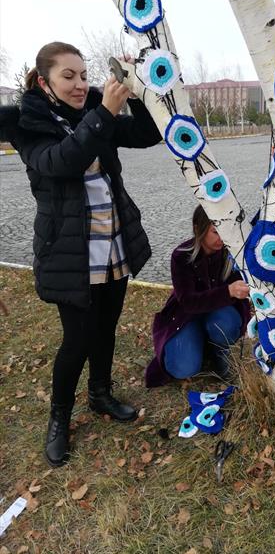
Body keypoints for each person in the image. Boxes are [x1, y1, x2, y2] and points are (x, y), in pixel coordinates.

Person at [0, 41, 161, 467]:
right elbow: (60, 163)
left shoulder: (93, 109)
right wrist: (104, 113)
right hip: (70, 251)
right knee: (77, 340)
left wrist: (136, 92)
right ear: (44, 82)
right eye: (68, 76)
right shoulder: (28, 123)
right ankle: (59, 418)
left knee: (106, 328)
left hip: (113, 241)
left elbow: (148, 134)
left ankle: (101, 394)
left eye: (84, 76)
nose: (79, 84)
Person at [145, 205, 251, 387]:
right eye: (215, 232)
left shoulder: (232, 252)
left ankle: (219, 351)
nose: (221, 238)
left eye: (223, 232)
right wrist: (228, 291)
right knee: (182, 368)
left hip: (220, 315)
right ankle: (199, 343)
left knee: (224, 323)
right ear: (198, 229)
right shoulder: (181, 256)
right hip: (187, 317)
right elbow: (188, 302)